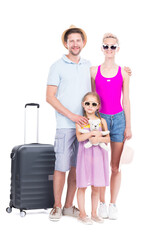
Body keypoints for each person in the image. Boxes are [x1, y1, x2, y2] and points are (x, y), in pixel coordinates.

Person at [46, 25, 91, 221]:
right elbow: (50, 97)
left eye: (78, 40)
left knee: (76, 167)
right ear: (66, 43)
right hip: (65, 124)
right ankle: (56, 207)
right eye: (71, 41)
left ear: (83, 43)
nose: (75, 44)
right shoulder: (57, 66)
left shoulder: (88, 65)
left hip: (84, 127)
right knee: (61, 166)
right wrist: (72, 116)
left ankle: (68, 206)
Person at [91, 33, 132, 220]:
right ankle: (101, 203)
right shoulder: (93, 71)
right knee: (100, 165)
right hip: (100, 120)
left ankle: (113, 203)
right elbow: (92, 98)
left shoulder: (124, 72)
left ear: (117, 49)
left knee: (115, 166)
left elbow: (126, 99)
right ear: (101, 48)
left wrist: (128, 126)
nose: (109, 49)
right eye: (106, 46)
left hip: (119, 119)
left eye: (112, 46)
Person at [76, 92, 110, 224]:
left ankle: (94, 213)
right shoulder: (81, 121)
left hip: (98, 157)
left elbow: (107, 138)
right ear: (83, 105)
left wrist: (99, 137)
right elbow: (79, 137)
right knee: (83, 185)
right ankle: (82, 214)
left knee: (96, 186)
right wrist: (91, 134)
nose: (90, 106)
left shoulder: (102, 121)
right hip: (85, 156)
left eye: (93, 104)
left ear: (98, 106)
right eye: (87, 103)